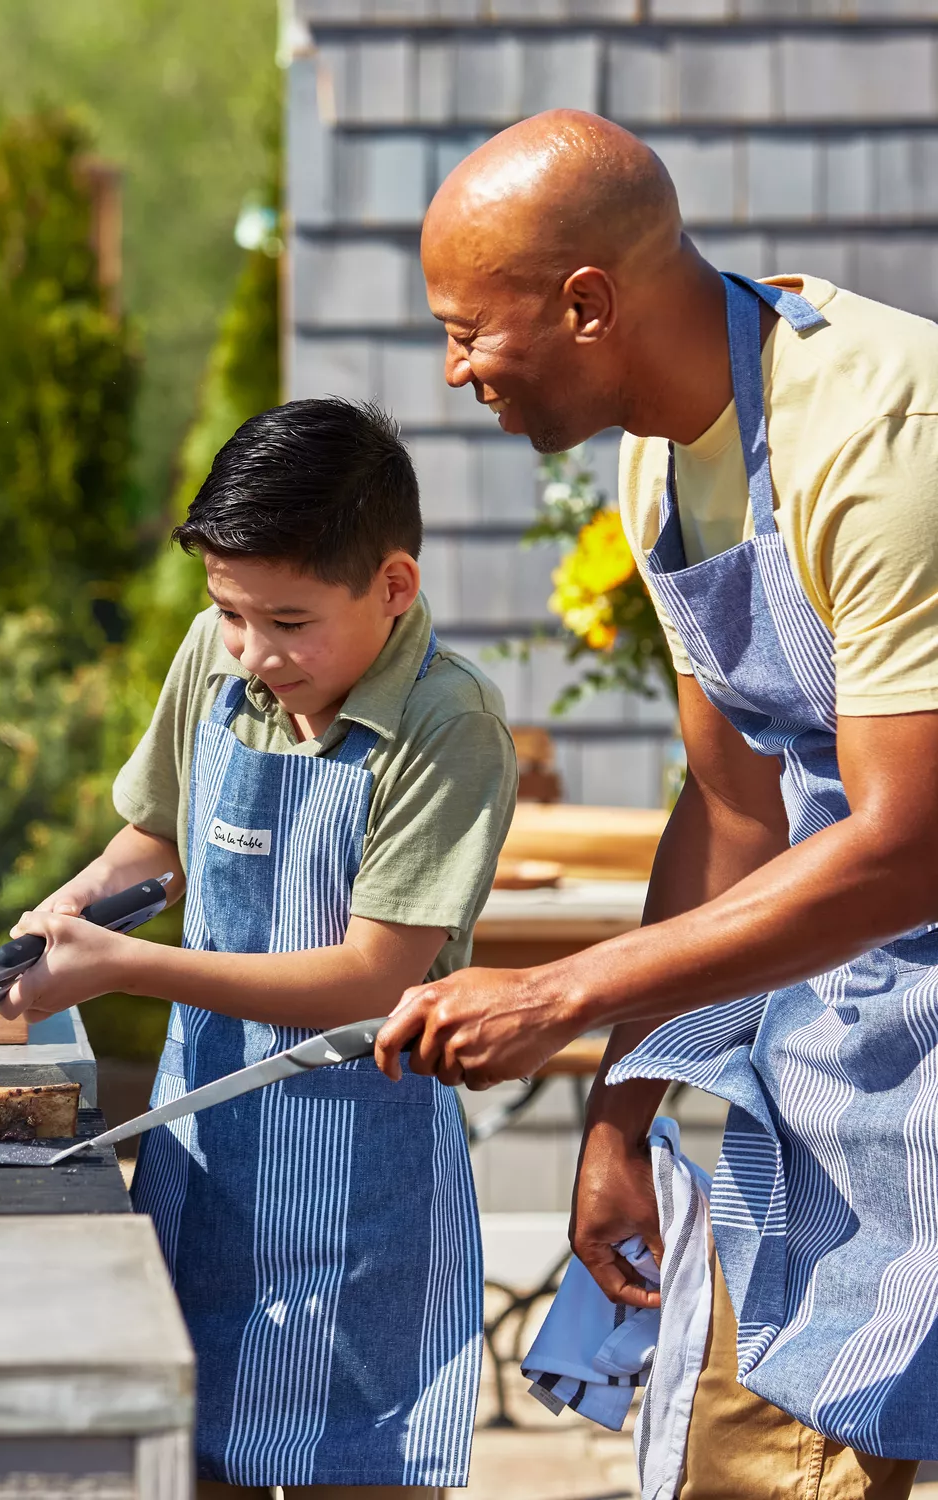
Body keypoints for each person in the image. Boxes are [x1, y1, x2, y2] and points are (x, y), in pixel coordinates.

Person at [375, 109, 938, 1497]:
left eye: (466, 329)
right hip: (848, 1038)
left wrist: (561, 997)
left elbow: (911, 847)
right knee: (735, 1456)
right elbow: (736, 810)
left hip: (897, 944)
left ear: (586, 303)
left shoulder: (881, 439)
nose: (452, 372)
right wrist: (622, 1115)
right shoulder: (659, 460)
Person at [0, 398, 517, 1494]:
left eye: (288, 623)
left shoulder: (449, 722)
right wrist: (71, 909)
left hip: (367, 1192)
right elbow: (156, 834)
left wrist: (128, 964)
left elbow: (369, 977)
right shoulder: (216, 656)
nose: (253, 653)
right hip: (205, 1156)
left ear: (392, 587)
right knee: (193, 1463)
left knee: (356, 1471)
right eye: (230, 615)